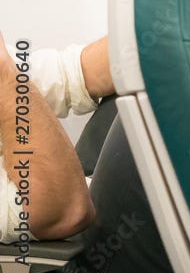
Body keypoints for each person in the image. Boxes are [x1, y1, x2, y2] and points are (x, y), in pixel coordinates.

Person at [1, 32, 112, 244]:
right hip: (79, 235)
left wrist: (170, 33)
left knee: (146, 78)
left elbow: (73, 73)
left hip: (82, 191)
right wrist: (3, 74)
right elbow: (65, 212)